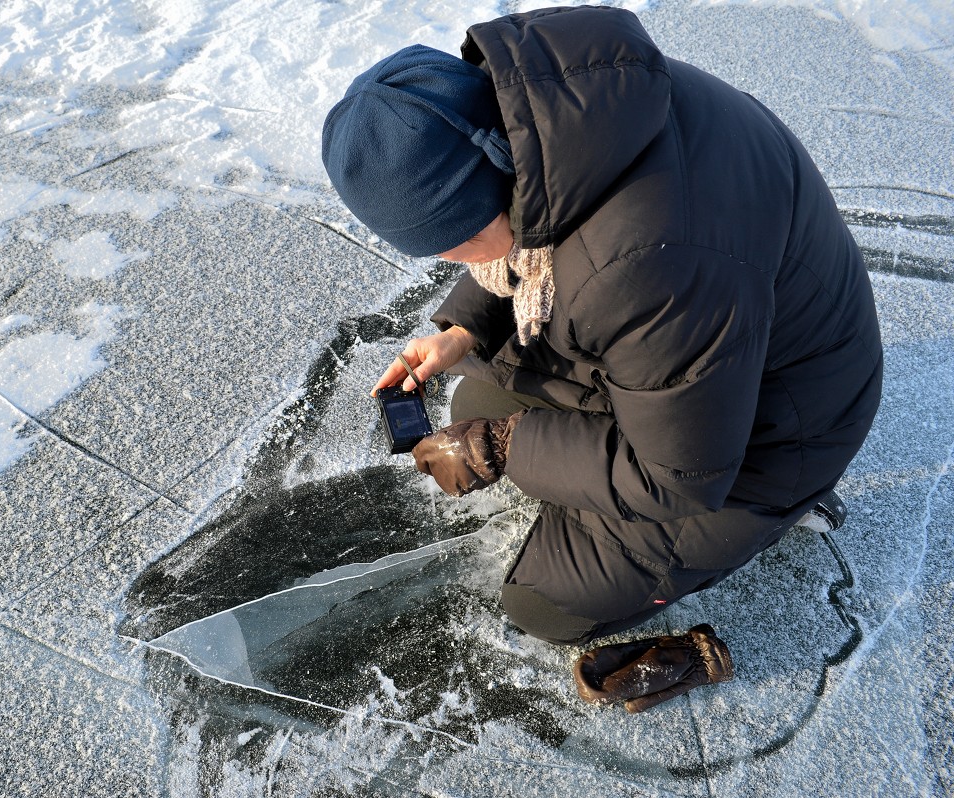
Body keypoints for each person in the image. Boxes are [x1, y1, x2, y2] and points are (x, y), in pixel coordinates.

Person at [321, 5, 882, 653]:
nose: (455, 261)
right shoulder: (575, 108)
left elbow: (678, 478)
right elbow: (527, 225)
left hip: (779, 434)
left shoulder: (649, 264)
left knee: (545, 603)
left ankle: (784, 515)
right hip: (731, 346)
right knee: (478, 393)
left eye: (455, 244)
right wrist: (463, 330)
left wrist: (501, 447)